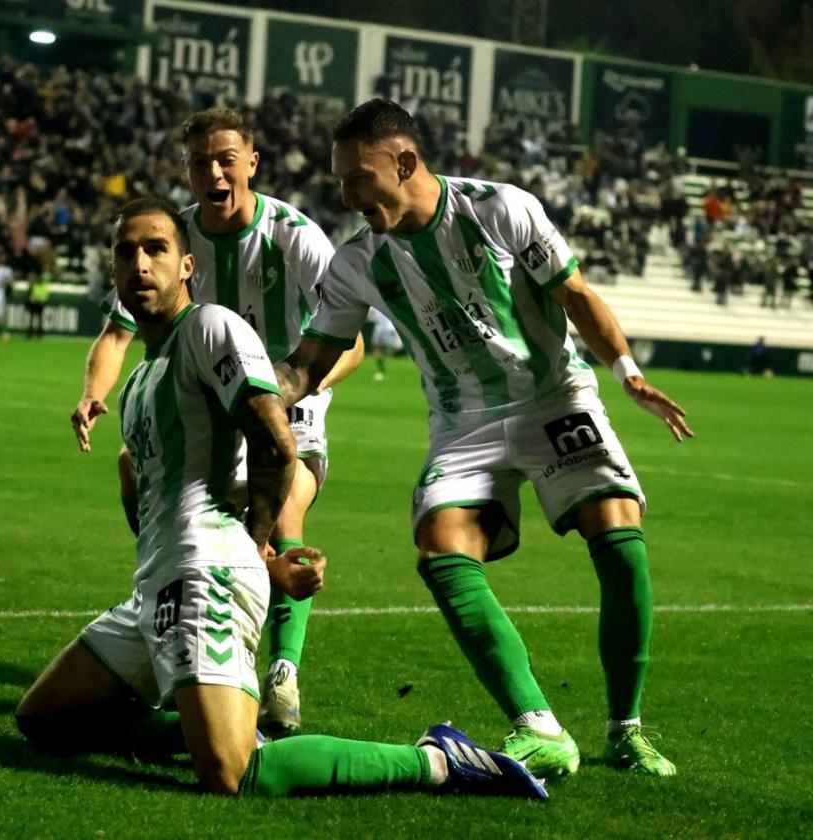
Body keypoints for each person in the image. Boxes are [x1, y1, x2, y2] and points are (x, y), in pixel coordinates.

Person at [16, 196, 547, 801]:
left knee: (232, 775)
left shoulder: (210, 327)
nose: (140, 263)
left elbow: (275, 439)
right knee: (44, 720)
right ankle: (210, 725)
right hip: (154, 587)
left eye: (155, 249)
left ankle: (438, 761)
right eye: (126, 252)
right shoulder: (143, 377)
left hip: (205, 576)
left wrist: (256, 548)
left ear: (186, 265)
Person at [273, 99, 694, 779]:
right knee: (440, 546)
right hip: (462, 421)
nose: (346, 195)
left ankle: (626, 728)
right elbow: (309, 363)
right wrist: (251, 393)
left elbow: (576, 293)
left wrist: (629, 372)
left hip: (553, 395)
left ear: (404, 162)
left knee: (618, 535)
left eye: (358, 178)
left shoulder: (501, 209)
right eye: (341, 181)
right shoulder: (358, 262)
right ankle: (540, 726)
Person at [71, 109, 364, 736]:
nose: (213, 171)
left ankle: (282, 670)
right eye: (200, 161)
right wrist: (94, 393)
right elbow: (115, 334)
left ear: (251, 163)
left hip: (287, 404)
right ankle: (170, 605)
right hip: (199, 401)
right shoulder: (170, 238)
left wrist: (291, 391)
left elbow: (355, 342)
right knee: (131, 468)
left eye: (226, 158)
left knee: (283, 510)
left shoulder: (295, 235)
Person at [367, 307, 402, 381]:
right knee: (377, 348)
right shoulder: (374, 306)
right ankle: (381, 368)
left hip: (388, 329)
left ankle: (384, 365)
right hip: (380, 329)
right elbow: (370, 316)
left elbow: (370, 316)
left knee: (393, 348)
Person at [25, 265, 50, 340]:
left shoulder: (42, 286)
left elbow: (44, 295)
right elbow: (31, 294)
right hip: (34, 303)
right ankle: (32, 333)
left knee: (38, 319)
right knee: (33, 319)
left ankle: (38, 334)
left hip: (39, 303)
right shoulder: (36, 285)